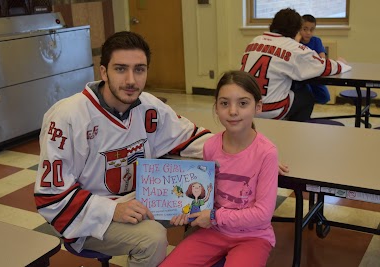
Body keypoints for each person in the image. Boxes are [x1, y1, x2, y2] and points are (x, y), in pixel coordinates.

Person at [33, 31, 212, 267]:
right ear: (104, 71)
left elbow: (190, 138)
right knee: (153, 238)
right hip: (88, 216)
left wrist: (248, 150)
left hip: (139, 199)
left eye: (139, 69)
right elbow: (50, 198)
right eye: (120, 69)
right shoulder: (68, 116)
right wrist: (111, 210)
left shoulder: (149, 106)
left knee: (206, 204)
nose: (131, 80)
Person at [159, 71, 279, 267]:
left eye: (243, 103)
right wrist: (187, 210)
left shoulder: (267, 153)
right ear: (216, 108)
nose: (233, 111)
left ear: (258, 107)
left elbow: (262, 214)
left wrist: (214, 216)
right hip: (214, 231)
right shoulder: (211, 146)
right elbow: (207, 196)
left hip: (253, 236)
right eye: (224, 103)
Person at [240, 8, 351, 122]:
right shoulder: (292, 47)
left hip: (246, 105)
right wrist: (341, 64)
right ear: (297, 30)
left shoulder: (254, 41)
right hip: (270, 109)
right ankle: (296, 129)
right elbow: (324, 66)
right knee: (306, 94)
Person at [300, 14, 331, 104]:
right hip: (301, 77)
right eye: (305, 29)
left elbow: (322, 59)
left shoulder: (316, 41)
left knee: (325, 97)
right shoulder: (295, 42)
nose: (308, 33)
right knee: (307, 94)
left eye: (311, 30)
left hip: (315, 74)